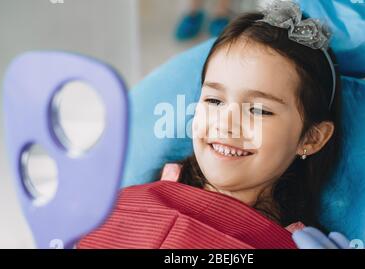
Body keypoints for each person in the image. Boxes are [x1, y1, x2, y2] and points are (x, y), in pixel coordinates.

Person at [78, 0, 350, 249]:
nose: (225, 123)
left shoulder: (297, 243)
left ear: (311, 138)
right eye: (214, 101)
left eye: (258, 109)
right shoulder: (153, 189)